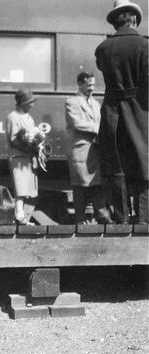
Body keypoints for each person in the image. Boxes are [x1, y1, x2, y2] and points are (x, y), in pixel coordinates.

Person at [95, 0, 148, 224]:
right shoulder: (144, 45)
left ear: (116, 21)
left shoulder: (103, 49)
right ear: (134, 19)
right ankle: (145, 219)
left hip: (112, 112)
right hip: (140, 111)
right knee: (144, 163)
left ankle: (121, 219)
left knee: (116, 164)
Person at [65, 72, 112, 224]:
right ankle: (81, 220)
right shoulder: (71, 102)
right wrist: (98, 128)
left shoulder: (96, 104)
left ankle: (100, 215)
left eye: (93, 84)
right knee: (80, 187)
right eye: (89, 84)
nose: (92, 87)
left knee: (96, 184)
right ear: (80, 84)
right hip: (80, 152)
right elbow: (76, 123)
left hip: (95, 151)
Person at [6, 88, 45, 225]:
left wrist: (36, 145)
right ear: (22, 102)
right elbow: (13, 139)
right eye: (30, 102)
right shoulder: (12, 117)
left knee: (27, 188)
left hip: (27, 159)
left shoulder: (29, 117)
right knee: (20, 189)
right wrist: (29, 147)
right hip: (18, 158)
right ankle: (19, 216)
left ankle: (21, 217)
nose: (32, 105)